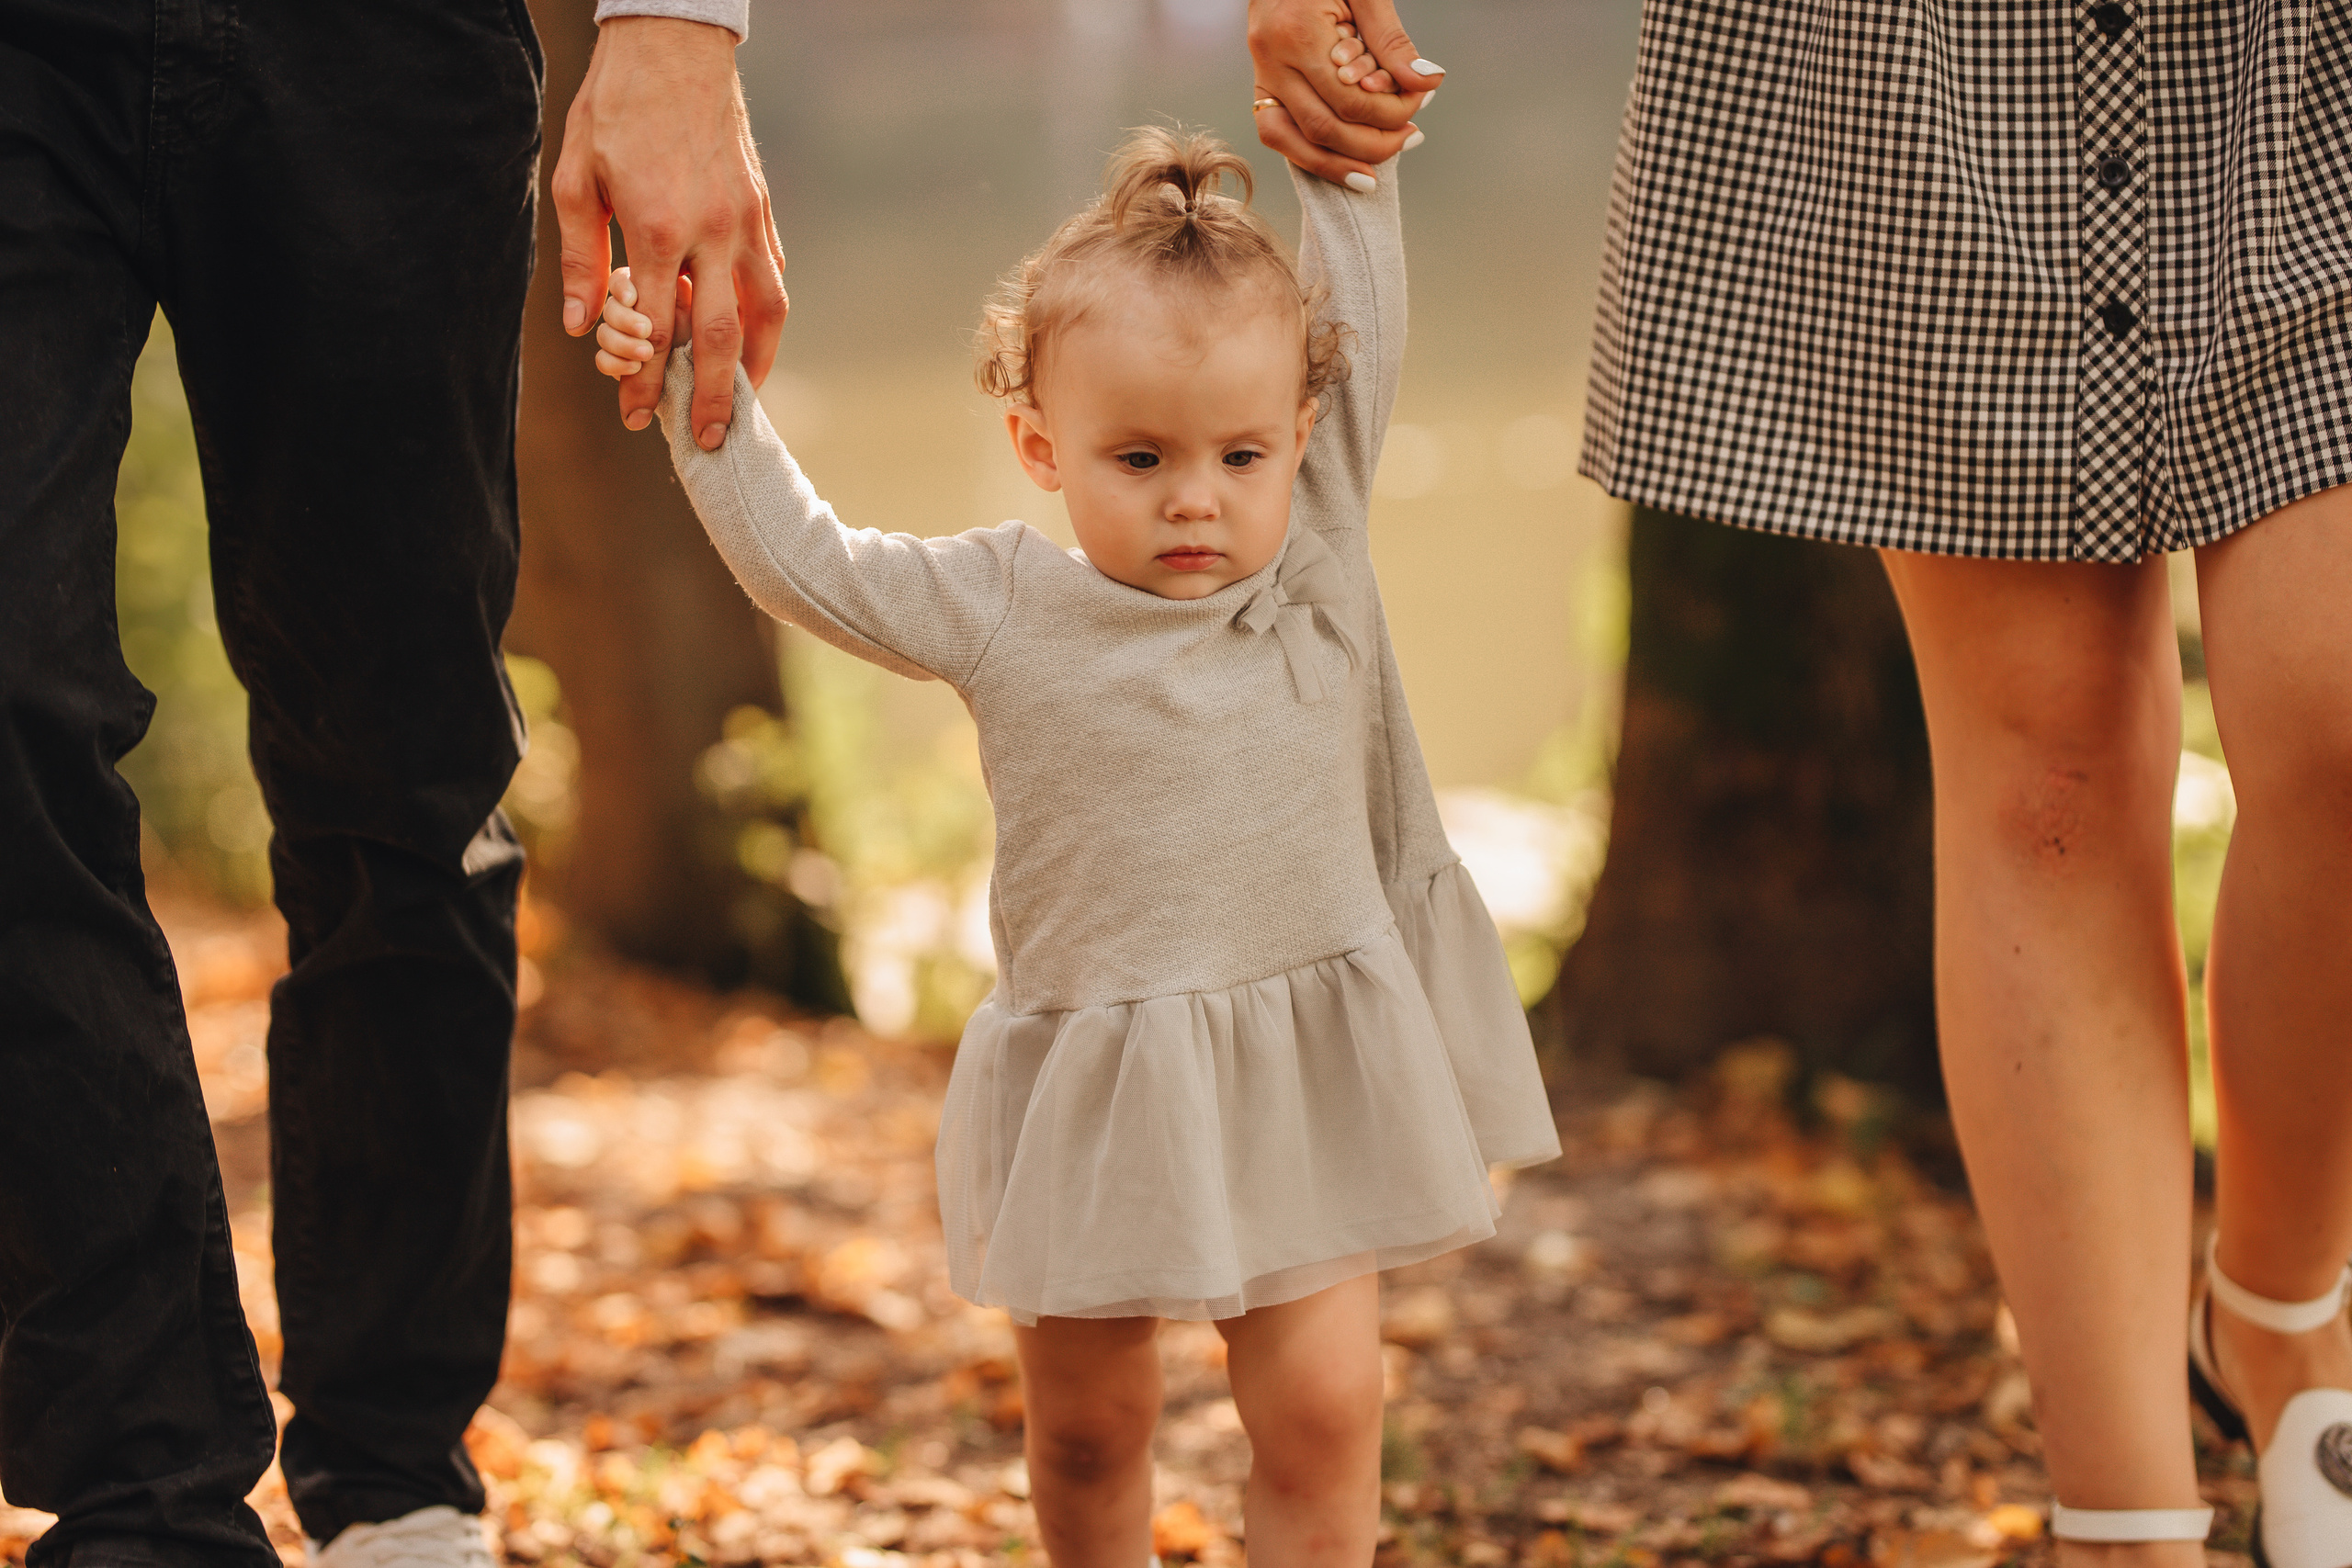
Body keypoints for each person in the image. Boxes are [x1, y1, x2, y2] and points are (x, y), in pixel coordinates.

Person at [1281, 4, 2352, 1566]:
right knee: (2042, 772)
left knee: (2336, 721)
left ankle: (2275, 1308)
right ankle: (2126, 1522)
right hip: (1927, 53)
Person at [592, 103, 1556, 1565]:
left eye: (1242, 455)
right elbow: (806, 562)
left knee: (1327, 1406)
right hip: (1099, 1081)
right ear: (1041, 447)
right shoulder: (1002, 606)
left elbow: (1357, 276)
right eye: (1141, 458)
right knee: (1093, 1427)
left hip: (1303, 1069)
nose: (1196, 499)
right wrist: (684, 372)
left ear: (1302, 433)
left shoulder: (1319, 540)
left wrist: (1340, 121)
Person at [0, 2, 780, 1565]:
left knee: (402, 755)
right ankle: (140, 1500)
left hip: (376, 45)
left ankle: (395, 1478)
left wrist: (678, 30)